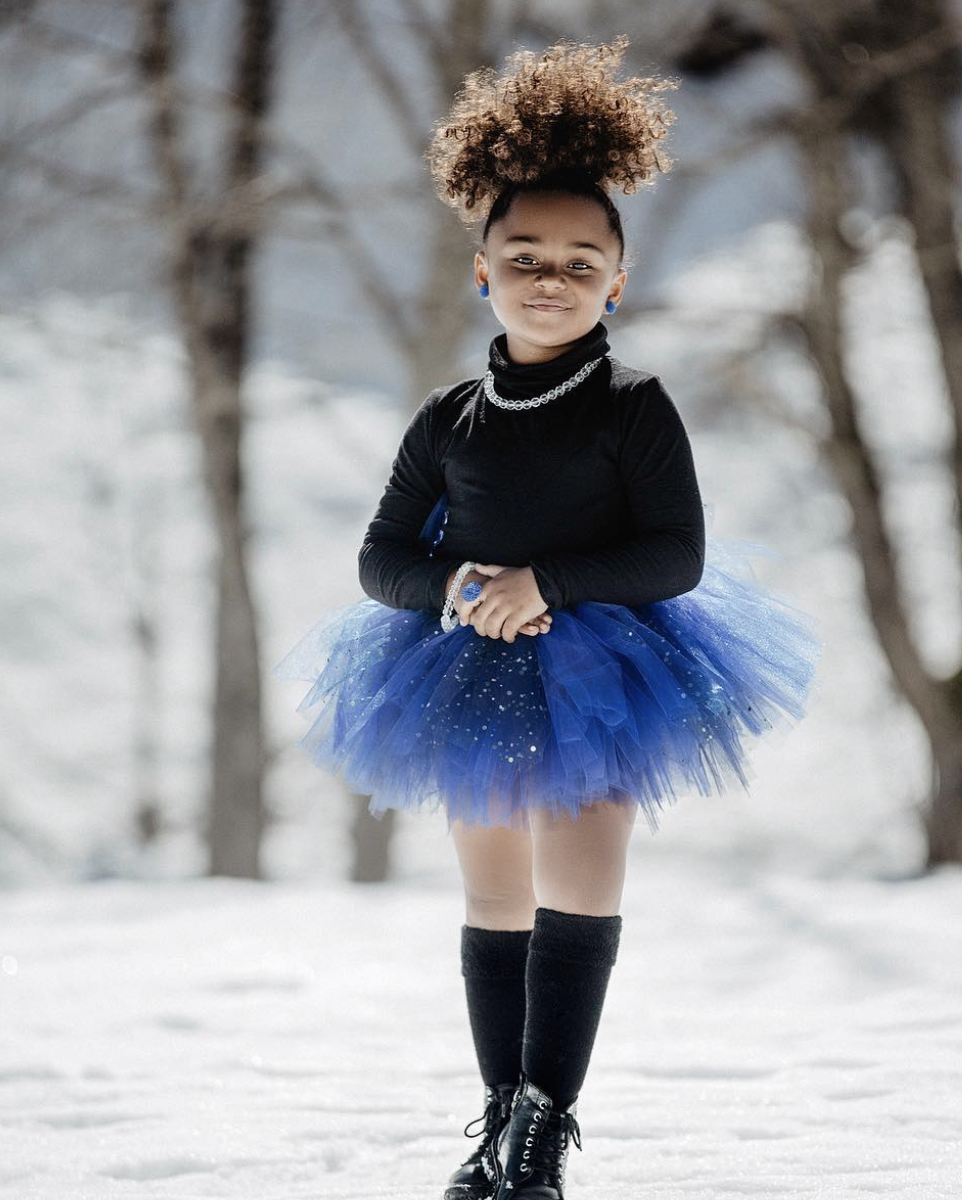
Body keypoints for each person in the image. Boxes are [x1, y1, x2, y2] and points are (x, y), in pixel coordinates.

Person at [273, 34, 823, 1200]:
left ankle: (543, 1134)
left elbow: (675, 553)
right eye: (524, 255)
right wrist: (457, 590)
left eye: (581, 261)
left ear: (617, 281)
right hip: (468, 664)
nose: (550, 277)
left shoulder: (635, 407)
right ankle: (492, 1122)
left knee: (576, 880)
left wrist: (551, 585)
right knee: (493, 898)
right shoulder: (446, 417)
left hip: (605, 664)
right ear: (482, 267)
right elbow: (379, 557)